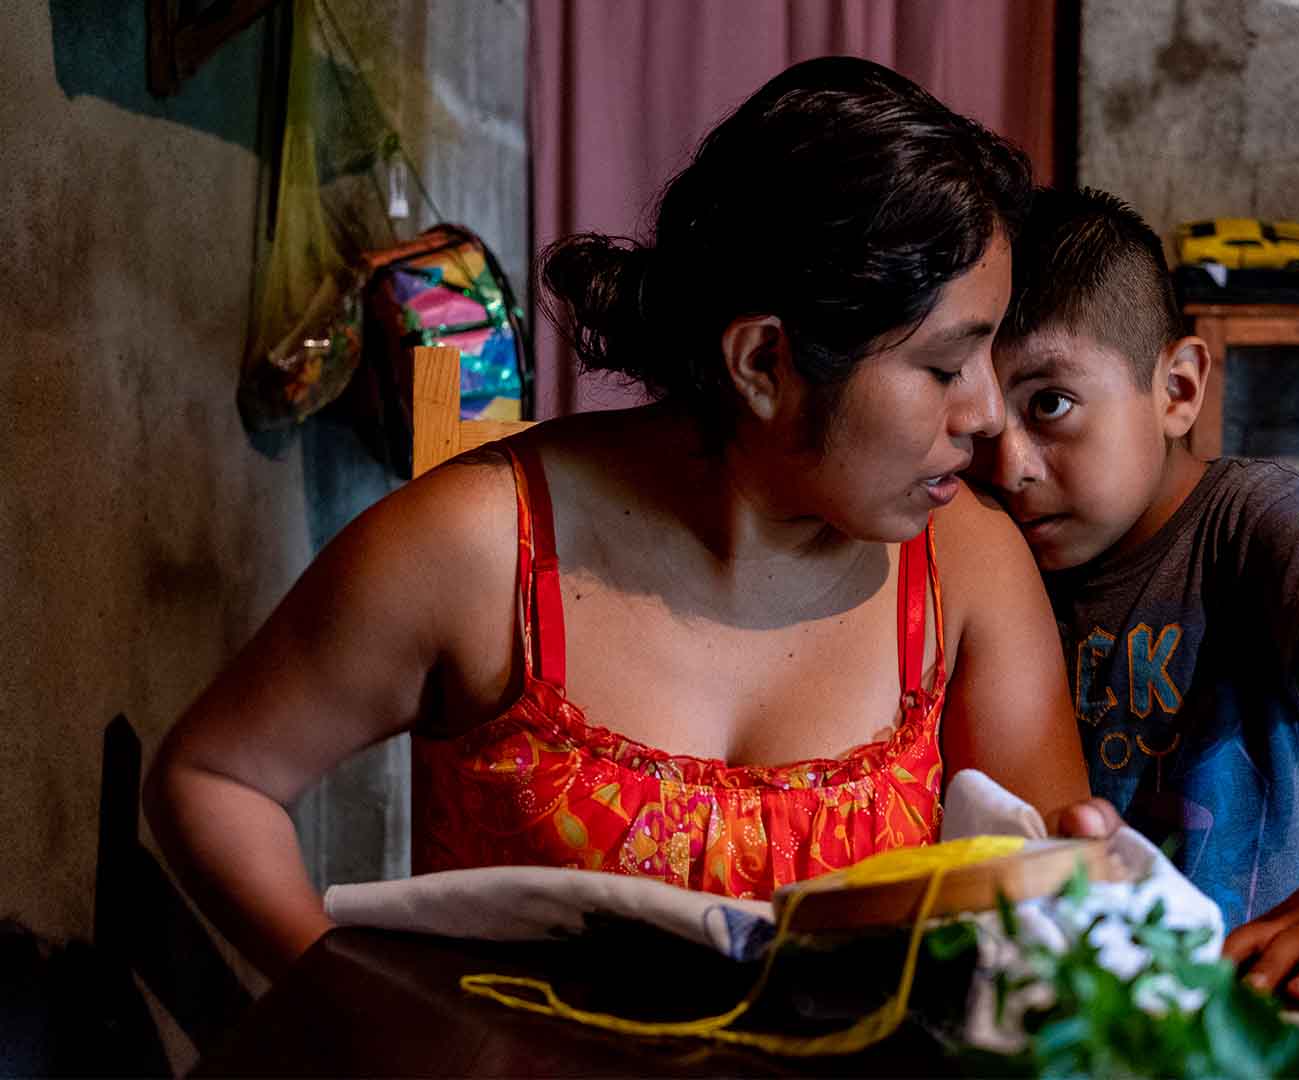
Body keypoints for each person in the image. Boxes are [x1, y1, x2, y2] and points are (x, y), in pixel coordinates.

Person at [145, 58, 1120, 980]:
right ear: (763, 365)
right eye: (946, 366)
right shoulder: (484, 550)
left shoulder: (964, 566)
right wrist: (366, 1022)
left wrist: (1084, 896)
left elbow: (1037, 906)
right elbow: (213, 780)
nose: (987, 415)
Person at [973, 187, 1299, 1001]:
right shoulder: (978, 542)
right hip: (1070, 994)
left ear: (1178, 390)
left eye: (1050, 404)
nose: (1009, 466)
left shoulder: (1247, 515)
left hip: (1260, 981)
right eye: (977, 422)